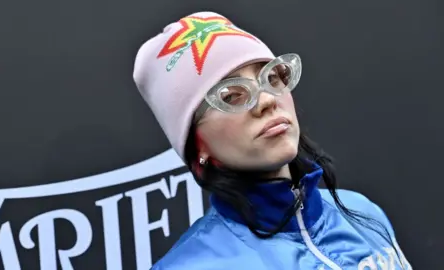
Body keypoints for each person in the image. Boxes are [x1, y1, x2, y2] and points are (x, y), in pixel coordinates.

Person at [133, 11, 412, 270]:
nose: (266, 99)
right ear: (198, 146)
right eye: (231, 96)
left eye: (272, 77)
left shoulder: (363, 213)